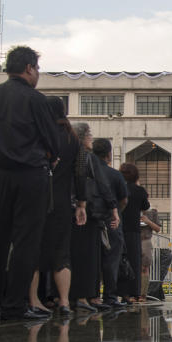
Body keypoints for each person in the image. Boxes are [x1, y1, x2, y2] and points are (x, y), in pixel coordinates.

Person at [0, 46, 60, 321]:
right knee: (25, 241)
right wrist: (50, 156)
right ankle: (14, 305)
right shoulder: (37, 100)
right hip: (31, 174)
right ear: (29, 68)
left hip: (0, 174)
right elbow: (52, 142)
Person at [30, 96, 87, 317]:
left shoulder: (40, 135)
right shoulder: (73, 140)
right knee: (62, 253)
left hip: (38, 199)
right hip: (63, 201)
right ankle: (64, 301)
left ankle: (34, 300)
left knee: (33, 250)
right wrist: (81, 203)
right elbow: (80, 173)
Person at [69, 123, 114, 312]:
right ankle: (83, 296)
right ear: (84, 137)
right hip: (86, 212)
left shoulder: (66, 155)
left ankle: (65, 297)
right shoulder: (87, 158)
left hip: (67, 209)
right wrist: (112, 208)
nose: (91, 140)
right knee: (87, 256)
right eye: (89, 136)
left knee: (69, 255)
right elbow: (102, 185)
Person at [93, 138, 127, 307]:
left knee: (92, 260)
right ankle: (110, 296)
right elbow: (123, 199)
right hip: (111, 222)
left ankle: (92, 295)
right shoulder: (114, 175)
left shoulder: (88, 172)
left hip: (91, 221)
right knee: (111, 259)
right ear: (109, 154)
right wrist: (116, 213)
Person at [119, 162, 156, 303]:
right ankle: (134, 293)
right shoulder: (139, 190)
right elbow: (146, 206)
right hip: (134, 230)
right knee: (135, 262)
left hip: (119, 228)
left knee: (120, 260)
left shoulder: (120, 187)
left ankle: (121, 292)